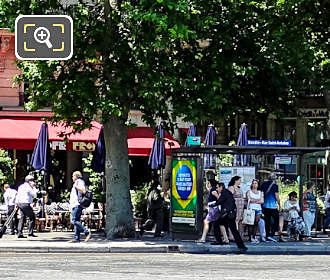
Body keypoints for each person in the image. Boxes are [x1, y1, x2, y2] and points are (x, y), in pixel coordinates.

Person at [213, 181, 248, 253]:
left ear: (221, 187)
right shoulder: (227, 192)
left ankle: (220, 241)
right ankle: (241, 245)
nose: (216, 189)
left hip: (228, 214)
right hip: (229, 214)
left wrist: (212, 205)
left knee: (219, 224)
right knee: (221, 225)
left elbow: (219, 201)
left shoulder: (224, 193)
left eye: (217, 188)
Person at [68, 171, 91, 243]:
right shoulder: (77, 182)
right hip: (75, 204)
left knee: (73, 220)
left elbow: (84, 191)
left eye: (73, 176)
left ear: (76, 176)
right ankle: (76, 238)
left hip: (77, 204)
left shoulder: (79, 181)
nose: (72, 177)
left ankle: (86, 232)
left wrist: (76, 187)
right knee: (76, 221)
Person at [260, 172, 281, 242]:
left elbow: (261, 194)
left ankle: (267, 235)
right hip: (273, 207)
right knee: (276, 220)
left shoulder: (263, 184)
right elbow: (277, 196)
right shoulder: (275, 186)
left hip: (265, 206)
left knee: (267, 221)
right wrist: (280, 205)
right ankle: (271, 234)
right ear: (274, 178)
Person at [246, 179, 264, 243]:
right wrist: (257, 200)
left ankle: (254, 236)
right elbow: (249, 199)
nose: (254, 184)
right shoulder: (249, 192)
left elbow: (262, 201)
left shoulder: (260, 192)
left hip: (258, 209)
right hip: (251, 209)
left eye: (256, 183)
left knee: (256, 223)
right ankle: (250, 236)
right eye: (253, 183)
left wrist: (254, 200)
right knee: (251, 223)